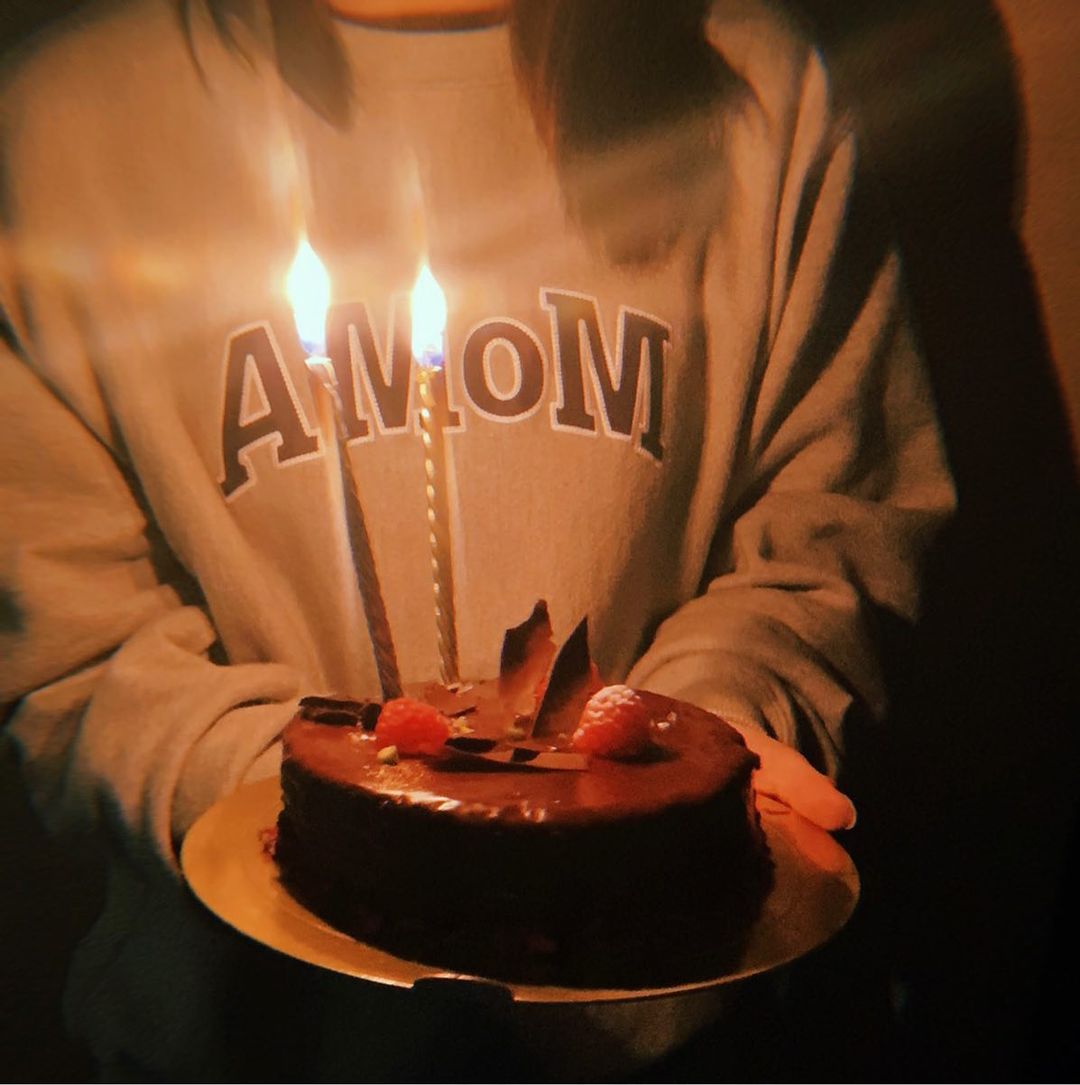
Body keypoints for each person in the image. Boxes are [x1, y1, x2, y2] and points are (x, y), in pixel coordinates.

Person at [0, 0, 953, 1078]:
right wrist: (339, 809)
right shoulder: (63, 127)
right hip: (252, 1040)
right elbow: (70, 645)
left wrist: (682, 760)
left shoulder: (762, 95)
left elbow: (833, 525)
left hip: (676, 1031)